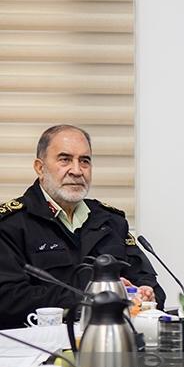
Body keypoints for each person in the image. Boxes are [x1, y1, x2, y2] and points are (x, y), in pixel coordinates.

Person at [0, 125, 165, 329]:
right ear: (40, 168)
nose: (77, 171)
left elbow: (150, 284)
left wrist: (146, 294)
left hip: (110, 339)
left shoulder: (112, 222)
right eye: (65, 159)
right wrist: (88, 296)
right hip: (39, 344)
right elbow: (7, 299)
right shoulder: (10, 224)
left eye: (85, 161)